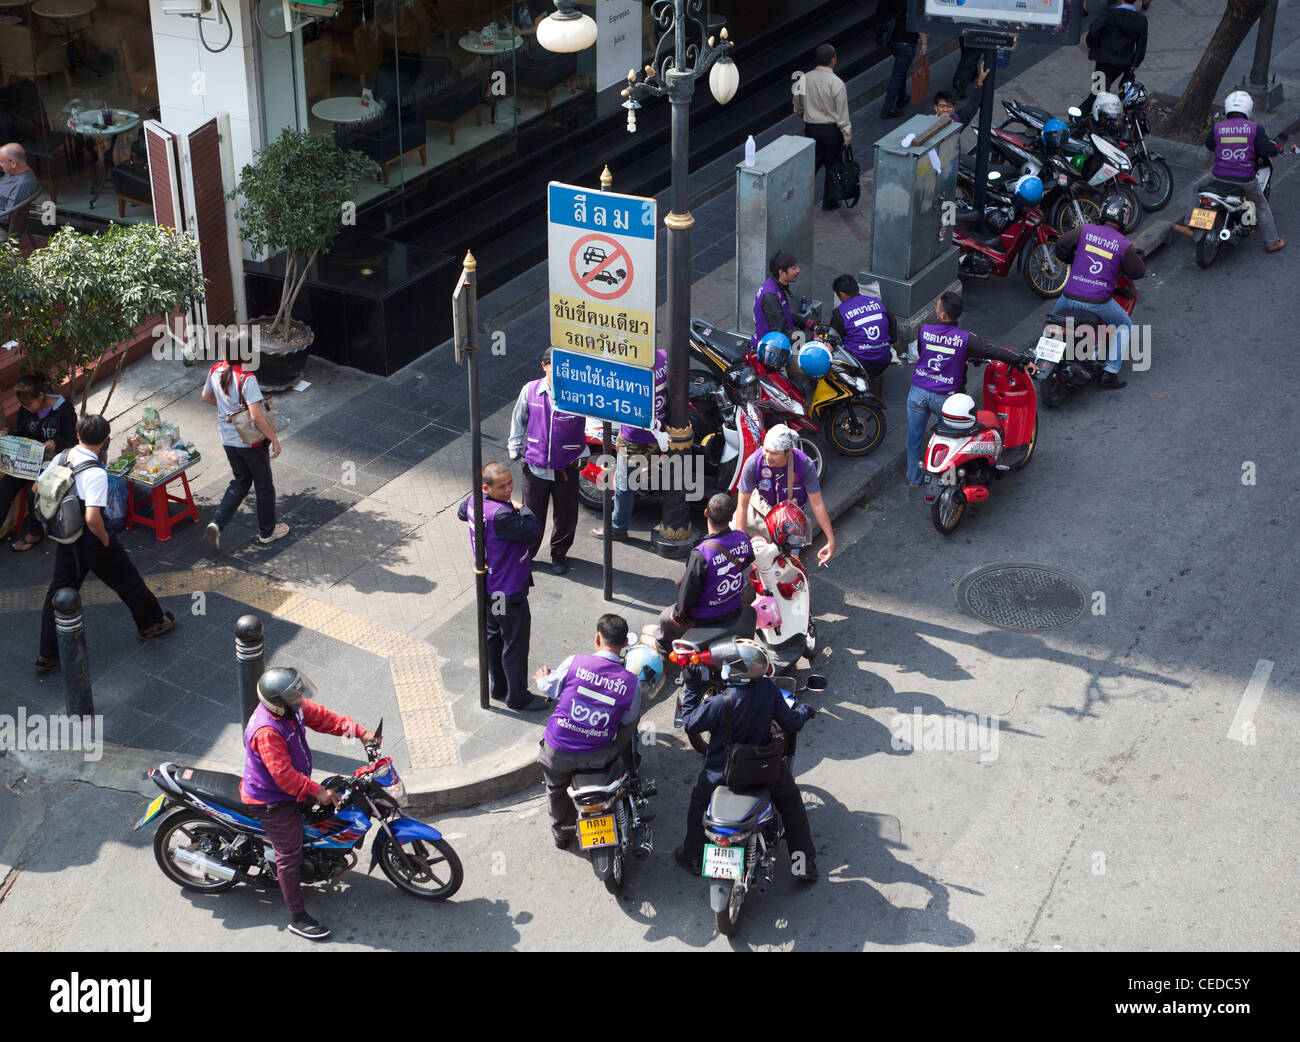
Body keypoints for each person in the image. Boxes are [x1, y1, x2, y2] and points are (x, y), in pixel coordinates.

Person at [240, 666, 378, 941]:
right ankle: (297, 917)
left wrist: (361, 733)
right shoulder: (266, 730)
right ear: (278, 703)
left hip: (294, 787)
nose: (299, 700)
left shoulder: (293, 708)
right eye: (293, 697)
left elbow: (325, 719)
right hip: (271, 799)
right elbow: (282, 775)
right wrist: (316, 790)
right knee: (289, 854)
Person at [36, 414, 175, 674]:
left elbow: (37, 488)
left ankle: (47, 654)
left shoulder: (63, 457)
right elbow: (92, 517)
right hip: (90, 539)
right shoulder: (95, 472)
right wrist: (106, 540)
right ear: (105, 440)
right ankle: (152, 623)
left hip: (66, 536)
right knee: (127, 578)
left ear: (78, 435)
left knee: (58, 593)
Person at [674, 639, 818, 882]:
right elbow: (791, 722)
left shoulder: (720, 703)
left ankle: (693, 856)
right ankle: (803, 865)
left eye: (729, 665)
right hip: (764, 769)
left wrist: (691, 687)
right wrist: (806, 710)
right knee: (791, 803)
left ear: (739, 672)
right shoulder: (767, 690)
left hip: (721, 773)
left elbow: (689, 722)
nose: (724, 669)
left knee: (700, 801)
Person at [535, 613, 642, 848]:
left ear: (597, 638)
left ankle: (562, 834)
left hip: (557, 754)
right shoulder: (631, 683)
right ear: (625, 644)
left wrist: (542, 678)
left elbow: (549, 688)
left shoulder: (575, 662)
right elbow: (628, 719)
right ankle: (627, 770)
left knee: (555, 788)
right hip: (599, 756)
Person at [906, 291, 1035, 486]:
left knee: (914, 438)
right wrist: (1021, 360)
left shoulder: (925, 330)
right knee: (955, 438)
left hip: (918, 392)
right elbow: (992, 351)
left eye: (937, 306)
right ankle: (948, 478)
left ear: (942, 315)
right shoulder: (965, 339)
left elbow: (924, 354)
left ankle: (914, 478)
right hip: (946, 399)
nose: (936, 309)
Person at [458, 460, 550, 712]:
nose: (509, 490)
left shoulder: (473, 503)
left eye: (510, 483)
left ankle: (499, 687)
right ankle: (517, 696)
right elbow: (533, 529)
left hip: (491, 589)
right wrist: (521, 508)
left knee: (495, 638)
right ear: (486, 487)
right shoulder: (503, 515)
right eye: (502, 487)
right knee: (515, 644)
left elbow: (460, 511)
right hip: (509, 590)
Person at [200, 334, 288, 553]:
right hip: (251, 443)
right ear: (246, 353)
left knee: (240, 481)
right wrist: (275, 439)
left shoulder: (214, 371)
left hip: (228, 440)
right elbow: (257, 417)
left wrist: (227, 411)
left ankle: (217, 524)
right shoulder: (247, 379)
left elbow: (206, 397)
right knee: (264, 486)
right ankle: (268, 532)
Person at [1052, 195, 1147, 389]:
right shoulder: (1123, 244)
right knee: (1124, 325)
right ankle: (1110, 373)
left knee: (1053, 321)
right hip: (1097, 301)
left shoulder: (1085, 230)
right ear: (1125, 219)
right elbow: (1138, 271)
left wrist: (1070, 259)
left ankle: (1046, 355)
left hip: (1068, 296)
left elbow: (1061, 244)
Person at [1173, 90, 1284, 254]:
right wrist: (1276, 148)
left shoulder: (1217, 127)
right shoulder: (1254, 129)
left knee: (1197, 187)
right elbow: (1268, 149)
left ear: (1227, 108)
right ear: (1248, 109)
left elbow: (1210, 145)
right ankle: (1272, 242)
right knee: (1261, 205)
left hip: (1218, 175)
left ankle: (1191, 225)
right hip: (1245, 179)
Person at [508, 348, 587, 576]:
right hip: (535, 466)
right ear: (544, 366)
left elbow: (591, 421)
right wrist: (515, 450)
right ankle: (528, 552)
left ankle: (559, 553)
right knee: (531, 515)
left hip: (567, 466)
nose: (562, 370)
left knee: (566, 513)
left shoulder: (578, 393)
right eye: (556, 365)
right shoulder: (530, 390)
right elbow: (518, 420)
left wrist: (582, 452)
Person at [654, 493, 754, 657]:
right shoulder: (742, 538)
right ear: (731, 516)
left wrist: (678, 615)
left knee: (665, 618)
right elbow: (748, 560)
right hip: (734, 607)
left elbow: (688, 592)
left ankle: (667, 650)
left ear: (706, 513)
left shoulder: (701, 554)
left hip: (706, 617)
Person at [592, 348, 667, 543]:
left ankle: (618, 528)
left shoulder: (630, 370)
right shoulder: (664, 358)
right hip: (663, 431)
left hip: (636, 436)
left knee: (624, 485)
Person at [732, 424, 835, 566]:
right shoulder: (753, 464)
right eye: (766, 451)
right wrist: (741, 544)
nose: (768, 457)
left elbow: (817, 504)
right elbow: (742, 506)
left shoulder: (804, 464)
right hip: (762, 519)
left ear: (788, 452)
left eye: (774, 453)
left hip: (790, 524)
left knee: (789, 568)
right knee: (763, 568)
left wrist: (830, 540)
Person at [1, 371, 77, 552]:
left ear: (41, 396)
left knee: (32, 491)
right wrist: (9, 434)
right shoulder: (25, 411)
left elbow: (73, 441)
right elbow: (24, 435)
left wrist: (56, 443)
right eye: (22, 404)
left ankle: (35, 533)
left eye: (28, 404)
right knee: (4, 489)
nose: (25, 408)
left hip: (55, 462)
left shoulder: (64, 410)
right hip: (29, 462)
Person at [794, 43, 852, 211]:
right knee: (832, 165)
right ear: (833, 60)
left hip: (811, 128)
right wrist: (847, 135)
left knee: (813, 163)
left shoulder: (805, 78)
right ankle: (830, 200)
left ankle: (799, 197)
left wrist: (800, 111)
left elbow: (797, 99)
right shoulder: (837, 83)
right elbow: (842, 114)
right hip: (831, 131)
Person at [830, 274, 893, 399]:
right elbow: (893, 328)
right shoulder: (878, 303)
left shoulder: (840, 312)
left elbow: (832, 340)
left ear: (841, 294)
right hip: (884, 359)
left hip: (859, 364)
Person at [1081, 0, 1147, 112]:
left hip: (1103, 62)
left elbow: (1093, 30)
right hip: (1124, 64)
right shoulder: (1141, 19)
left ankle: (1080, 116)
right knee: (1119, 95)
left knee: (1097, 93)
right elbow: (1141, 46)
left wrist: (1091, 45)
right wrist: (1133, 65)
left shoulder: (1109, 14)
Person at [880, 0, 925, 119]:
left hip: (892, 40)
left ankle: (902, 98)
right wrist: (924, 43)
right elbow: (919, 21)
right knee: (897, 74)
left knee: (901, 69)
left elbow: (879, 11)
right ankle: (887, 109)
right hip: (907, 42)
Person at [0, 143, 40, 242]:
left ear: (13, 163)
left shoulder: (22, 185)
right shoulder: (14, 171)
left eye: (1, 161)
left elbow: (6, 218)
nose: (0, 164)